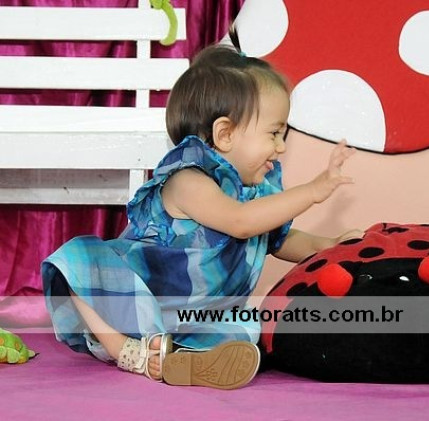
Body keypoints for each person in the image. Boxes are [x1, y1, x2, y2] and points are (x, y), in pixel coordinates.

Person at [41, 31, 360, 390]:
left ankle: (182, 359)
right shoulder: (189, 180)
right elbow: (240, 222)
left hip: (192, 318)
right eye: (274, 134)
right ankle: (128, 352)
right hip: (137, 303)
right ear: (225, 134)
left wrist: (330, 246)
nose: (281, 147)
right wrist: (312, 191)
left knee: (246, 327)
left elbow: (280, 239)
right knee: (80, 258)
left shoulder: (255, 193)